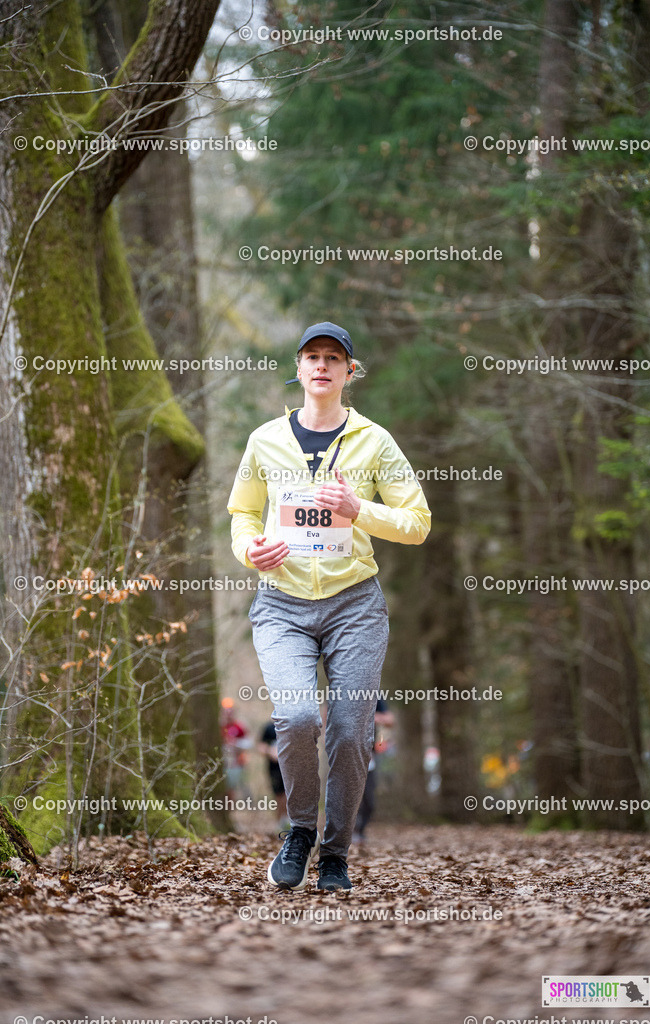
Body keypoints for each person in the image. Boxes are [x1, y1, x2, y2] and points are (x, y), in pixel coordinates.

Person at [227, 321, 430, 891]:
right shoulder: (264, 440)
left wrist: (359, 507)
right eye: (311, 356)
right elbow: (242, 513)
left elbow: (417, 523)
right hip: (282, 603)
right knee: (295, 717)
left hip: (354, 606)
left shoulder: (375, 441)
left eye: (333, 358)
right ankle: (298, 832)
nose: (321, 366)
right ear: (299, 369)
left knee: (348, 728)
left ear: (348, 372)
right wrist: (250, 549)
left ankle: (335, 853)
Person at [352, 698, 395, 844]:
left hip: (370, 756)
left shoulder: (374, 696)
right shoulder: (340, 690)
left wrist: (373, 717)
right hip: (348, 756)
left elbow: (390, 720)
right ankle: (350, 831)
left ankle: (361, 830)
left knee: (369, 799)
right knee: (350, 797)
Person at [257, 720, 289, 831]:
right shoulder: (269, 728)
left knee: (288, 793)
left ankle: (288, 820)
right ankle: (280, 822)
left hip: (290, 766)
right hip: (274, 768)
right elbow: (261, 747)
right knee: (278, 794)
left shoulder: (290, 725)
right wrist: (270, 751)